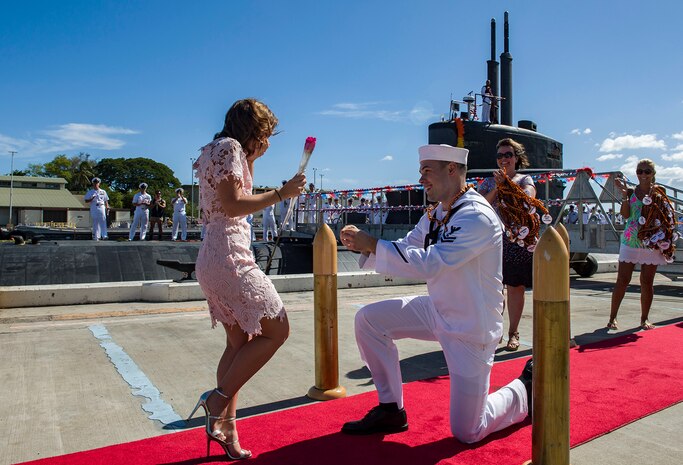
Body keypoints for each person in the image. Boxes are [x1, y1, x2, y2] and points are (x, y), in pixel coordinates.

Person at [338, 144, 531, 442]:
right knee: (369, 321)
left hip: (470, 326)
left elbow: (432, 263)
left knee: (469, 431)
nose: (421, 178)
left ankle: (526, 388)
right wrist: (365, 245)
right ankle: (391, 409)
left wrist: (375, 245)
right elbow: (410, 245)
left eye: (427, 171)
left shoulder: (476, 216)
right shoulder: (438, 212)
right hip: (437, 309)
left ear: (451, 170)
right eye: (421, 171)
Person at [187, 98, 306, 460]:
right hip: (229, 256)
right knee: (278, 329)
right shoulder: (230, 147)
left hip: (213, 254)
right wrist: (282, 194)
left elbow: (226, 197)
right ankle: (217, 401)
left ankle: (224, 428)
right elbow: (235, 204)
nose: (267, 139)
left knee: (238, 345)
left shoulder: (217, 149)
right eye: (265, 132)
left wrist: (253, 160)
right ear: (252, 130)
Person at [478, 138, 535, 352]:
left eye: (508, 155)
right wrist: (497, 187)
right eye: (500, 155)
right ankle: (495, 331)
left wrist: (507, 185)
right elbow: (481, 203)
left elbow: (528, 199)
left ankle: (514, 332)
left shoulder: (524, 179)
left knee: (515, 288)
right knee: (493, 290)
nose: (504, 159)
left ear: (516, 158)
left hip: (515, 239)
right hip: (492, 239)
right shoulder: (489, 181)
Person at [608, 160, 674, 331]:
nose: (643, 175)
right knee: (622, 280)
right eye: (640, 171)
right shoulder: (631, 192)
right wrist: (624, 196)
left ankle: (644, 319)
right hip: (631, 240)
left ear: (653, 173)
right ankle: (612, 318)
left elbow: (663, 212)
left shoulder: (660, 191)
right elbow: (626, 215)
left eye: (647, 171)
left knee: (646, 281)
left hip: (651, 241)